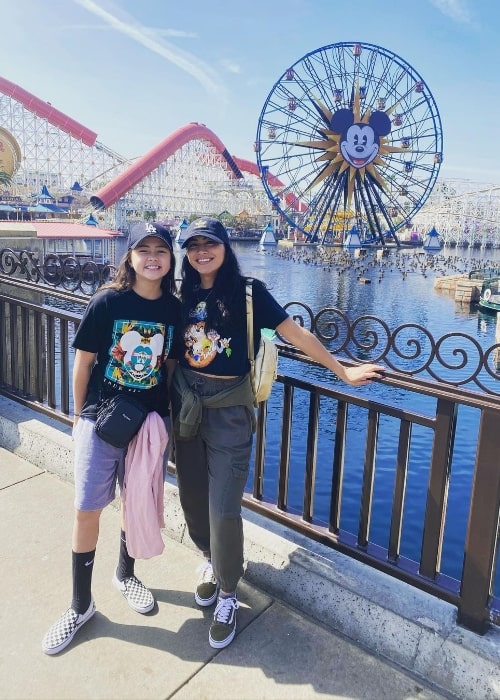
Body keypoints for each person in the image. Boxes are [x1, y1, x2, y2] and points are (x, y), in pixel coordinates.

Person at [171, 216, 385, 650]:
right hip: (187, 406)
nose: (200, 252)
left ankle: (228, 590)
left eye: (208, 243)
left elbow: (296, 334)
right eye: (192, 246)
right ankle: (212, 560)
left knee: (224, 507)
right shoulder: (184, 291)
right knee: (192, 496)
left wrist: (342, 371)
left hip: (230, 411)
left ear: (225, 247)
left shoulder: (249, 292)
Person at [42, 221, 182, 655]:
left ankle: (126, 574)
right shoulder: (107, 303)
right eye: (145, 250)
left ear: (169, 259)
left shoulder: (175, 310)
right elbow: (83, 365)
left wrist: (165, 417)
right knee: (87, 509)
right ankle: (80, 605)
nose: (153, 258)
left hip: (147, 423)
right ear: (131, 256)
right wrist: (80, 418)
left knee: (136, 502)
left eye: (161, 250)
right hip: (101, 422)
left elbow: (170, 368)